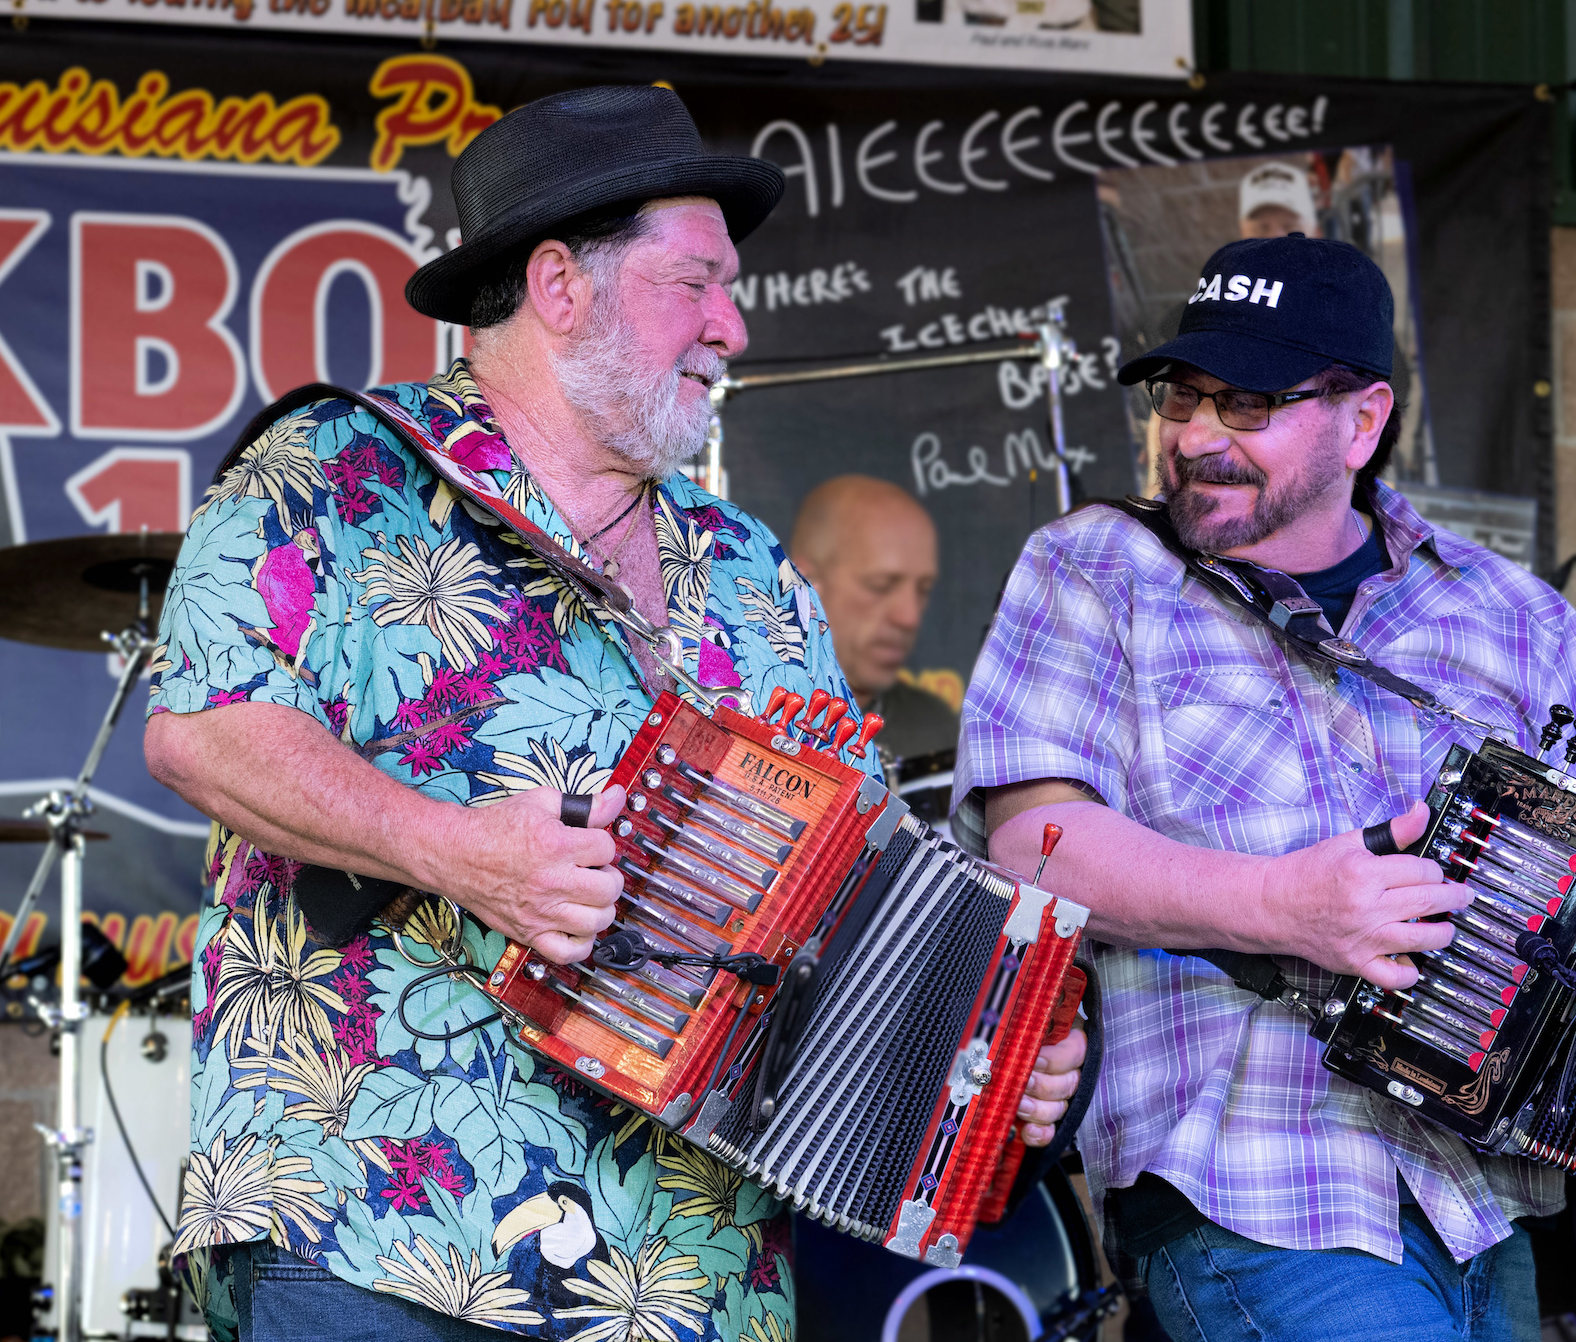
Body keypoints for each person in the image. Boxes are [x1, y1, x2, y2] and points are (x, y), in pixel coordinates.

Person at [144, 84, 1082, 1342]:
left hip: (690, 1277)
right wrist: (455, 851)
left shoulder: (748, 570)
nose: (731, 326)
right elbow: (204, 732)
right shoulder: (334, 471)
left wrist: (995, 1059)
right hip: (381, 1220)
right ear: (559, 286)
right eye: (695, 283)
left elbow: (852, 905)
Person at [949, 233, 1576, 1342]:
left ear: (1362, 421)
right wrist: (1284, 905)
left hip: (1485, 1214)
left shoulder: (1514, 616)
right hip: (1245, 1187)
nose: (1196, 435)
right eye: (1183, 397)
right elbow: (1034, 845)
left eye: (1246, 402)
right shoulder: (1093, 566)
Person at [788, 474, 958, 763]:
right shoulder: (748, 703)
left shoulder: (935, 729)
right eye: (880, 585)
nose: (909, 617)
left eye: (923, 590)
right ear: (807, 584)